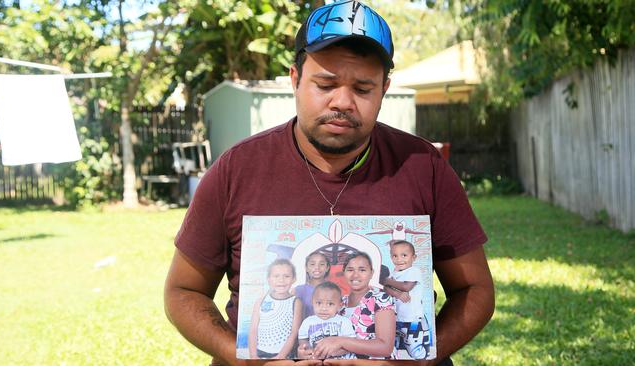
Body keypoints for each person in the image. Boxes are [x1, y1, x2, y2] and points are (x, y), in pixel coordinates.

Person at [164, 1, 495, 365]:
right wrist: (242, 358)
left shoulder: (422, 167)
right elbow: (183, 290)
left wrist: (418, 359)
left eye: (363, 89)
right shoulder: (237, 170)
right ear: (295, 79)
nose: (343, 102)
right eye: (325, 84)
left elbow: (474, 289)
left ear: (384, 90)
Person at [312, 252, 397, 360]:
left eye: (362, 270)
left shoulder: (381, 298)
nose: (355, 275)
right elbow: (328, 340)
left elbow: (385, 347)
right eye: (350, 270)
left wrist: (340, 341)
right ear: (344, 273)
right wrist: (311, 351)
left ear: (371, 273)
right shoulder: (339, 303)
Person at [382, 240, 432, 359]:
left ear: (413, 257)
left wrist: (388, 281)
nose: (399, 259)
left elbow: (406, 286)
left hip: (412, 318)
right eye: (395, 256)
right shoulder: (394, 272)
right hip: (396, 317)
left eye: (404, 255)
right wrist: (398, 294)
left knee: (413, 344)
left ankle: (421, 352)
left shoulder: (414, 271)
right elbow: (385, 288)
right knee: (394, 342)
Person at [249, 259, 303, 359]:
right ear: (269, 279)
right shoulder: (261, 301)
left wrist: (280, 356)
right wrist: (253, 355)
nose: (281, 280)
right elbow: (253, 329)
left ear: (294, 279)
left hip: (284, 355)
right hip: (260, 353)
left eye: (286, 276)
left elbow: (294, 332)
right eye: (276, 276)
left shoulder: (296, 302)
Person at [297, 282, 356, 360]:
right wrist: (305, 350)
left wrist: (332, 352)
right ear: (312, 302)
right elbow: (303, 339)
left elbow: (351, 345)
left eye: (330, 304)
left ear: (339, 306)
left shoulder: (344, 322)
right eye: (319, 303)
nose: (324, 308)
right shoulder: (307, 322)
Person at [294, 252, 332, 319]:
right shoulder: (298, 290)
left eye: (322, 264)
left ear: (327, 268)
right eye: (312, 264)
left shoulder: (333, 290)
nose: (317, 267)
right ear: (306, 268)